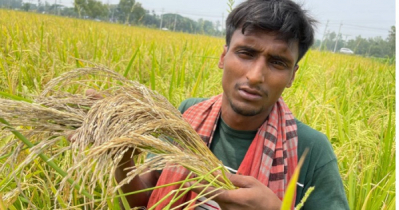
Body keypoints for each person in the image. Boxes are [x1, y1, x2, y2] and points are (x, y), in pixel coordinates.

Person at [114, 0, 350, 209]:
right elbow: (142, 198)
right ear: (223, 57)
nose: (256, 76)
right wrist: (121, 157)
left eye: (278, 62)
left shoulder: (311, 150)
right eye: (246, 53)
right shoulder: (186, 116)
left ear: (292, 76)